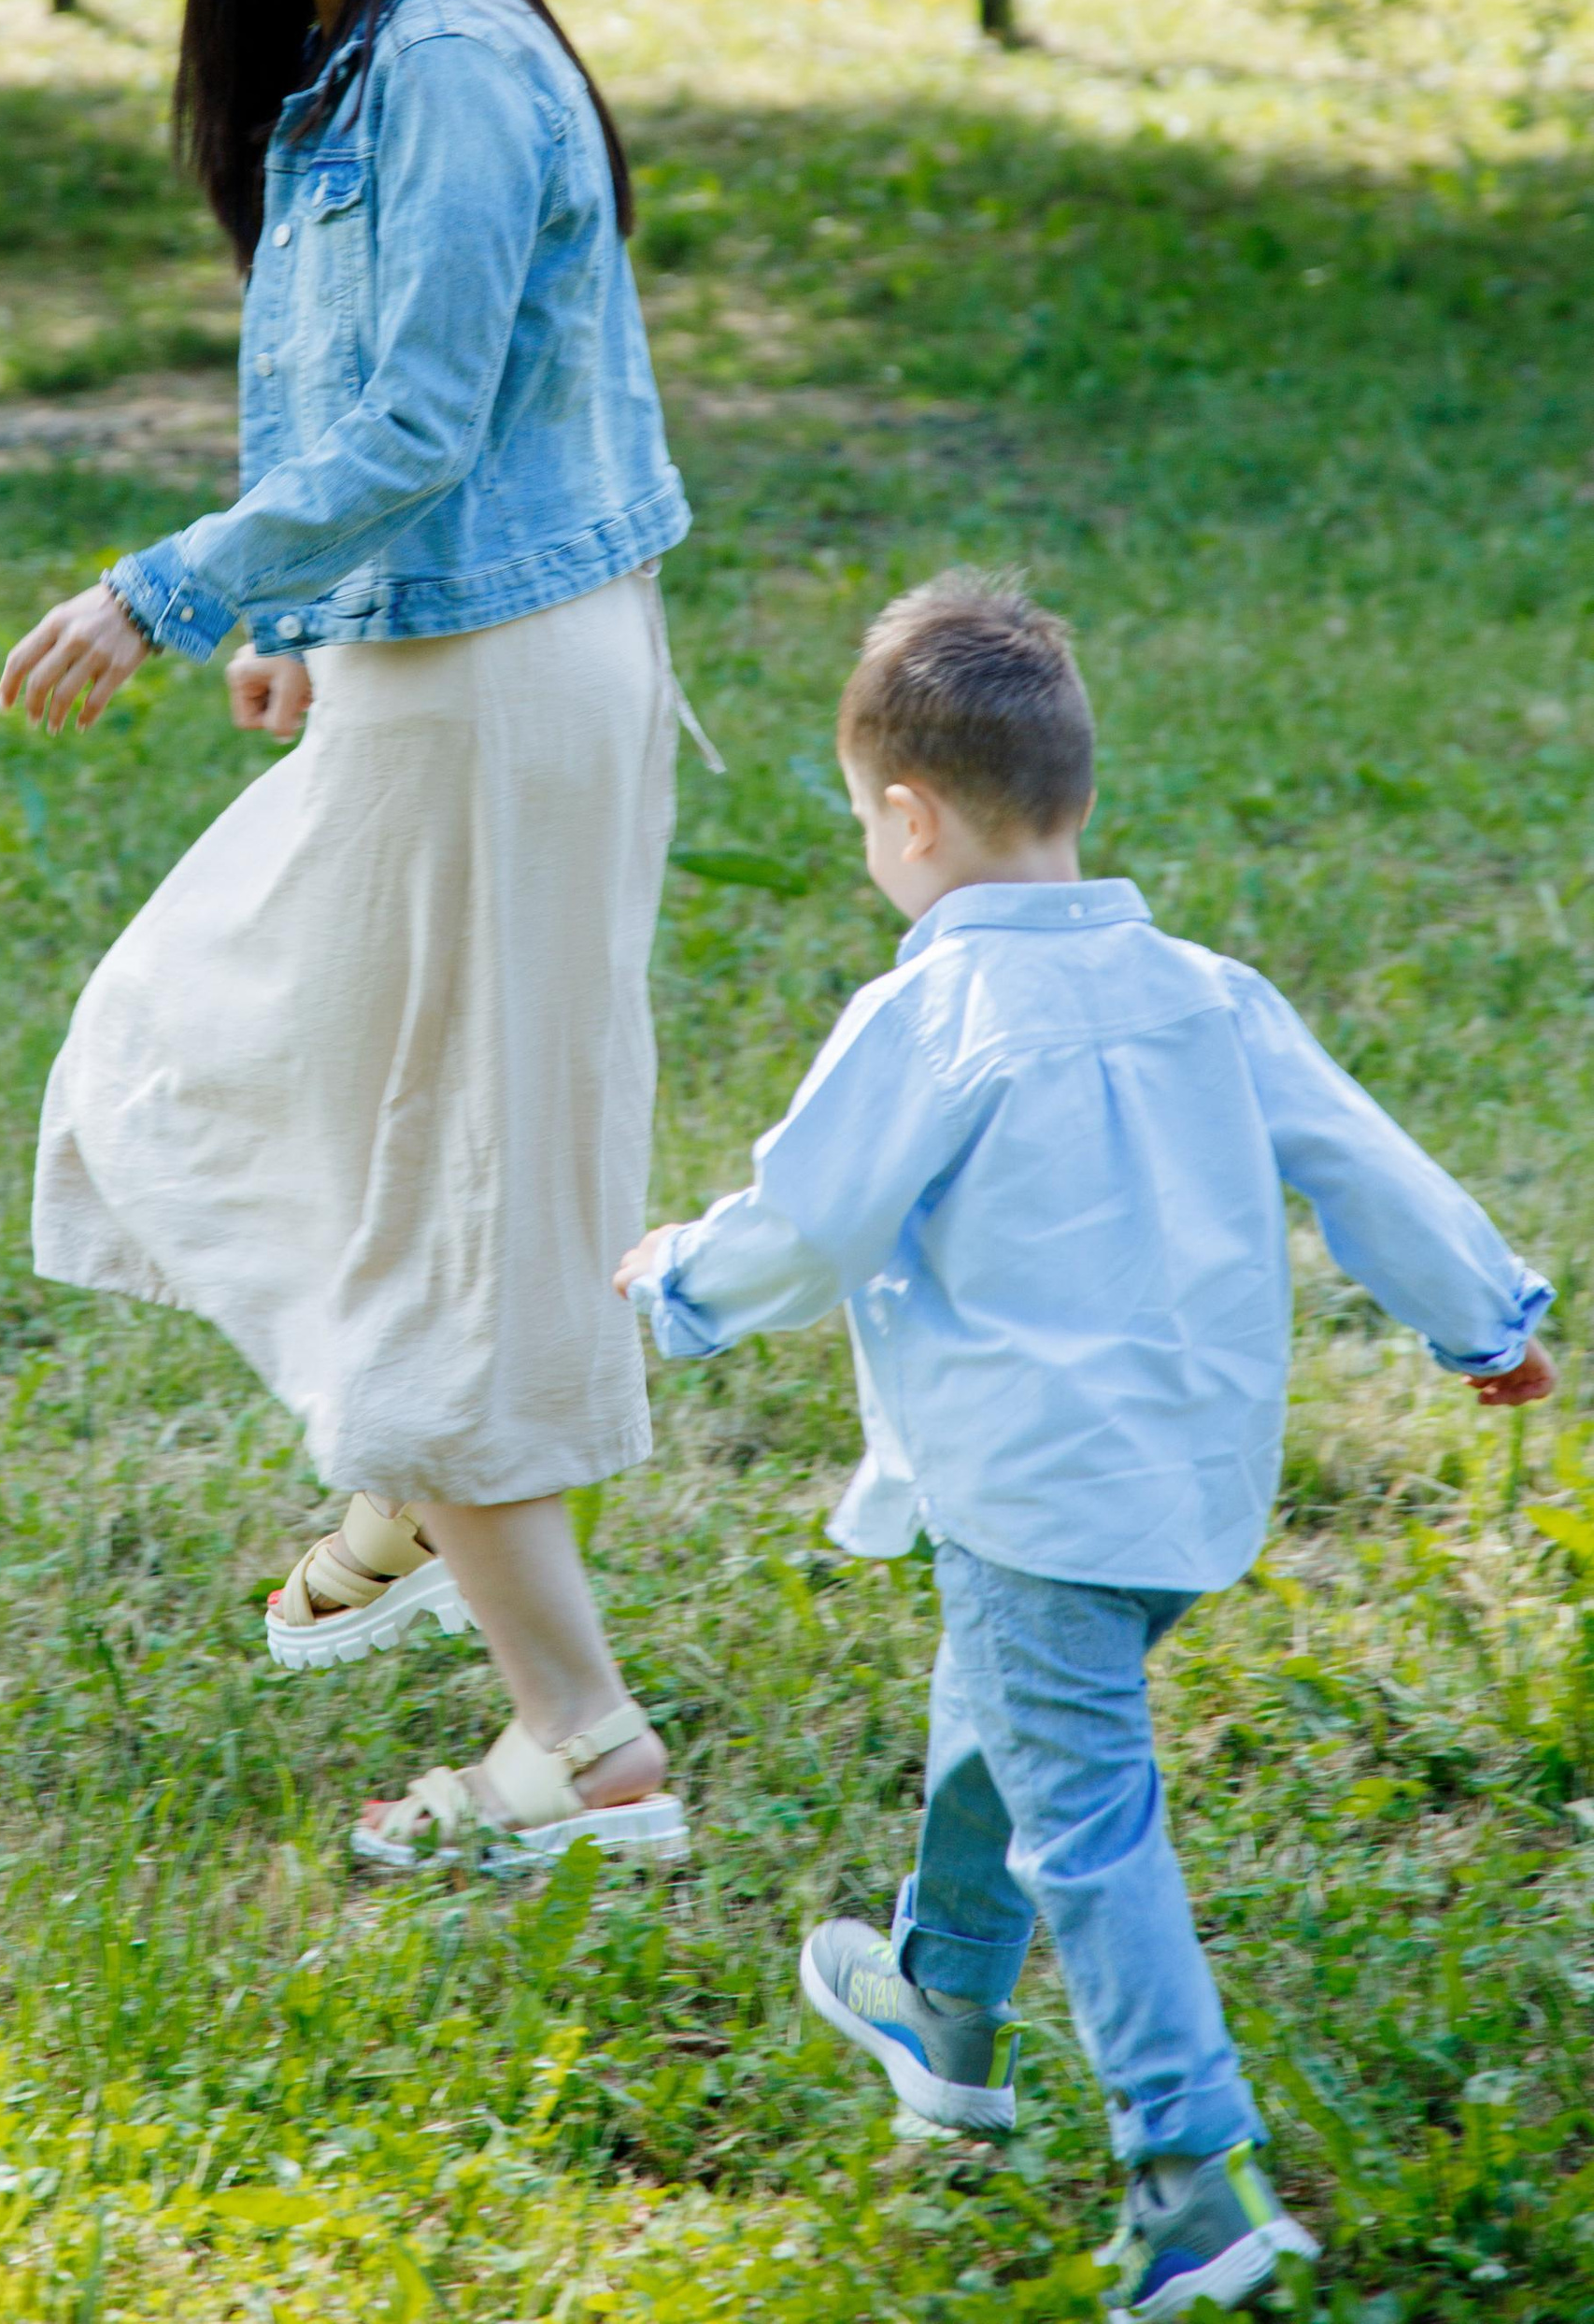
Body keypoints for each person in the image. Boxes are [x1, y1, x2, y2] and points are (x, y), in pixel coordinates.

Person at [616, 571, 1554, 2322]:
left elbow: (812, 1226)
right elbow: (1371, 1166)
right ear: (1075, 799)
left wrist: (676, 1285)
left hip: (1030, 1489)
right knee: (1020, 1716)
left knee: (1092, 1823)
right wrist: (1486, 1319)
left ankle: (1194, 2184)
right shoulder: (1212, 992)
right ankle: (946, 2011)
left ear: (905, 817)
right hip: (1186, 1485)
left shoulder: (928, 1015)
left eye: (863, 830)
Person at [2, 0, 696, 1871]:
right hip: (456, 654)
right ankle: (415, 1484)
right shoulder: (366, 54)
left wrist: (168, 589)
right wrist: (310, 613)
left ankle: (577, 1752)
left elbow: (411, 418)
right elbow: (393, 420)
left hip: (504, 683)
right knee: (244, 1055)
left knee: (435, 1181)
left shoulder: (450, 70)